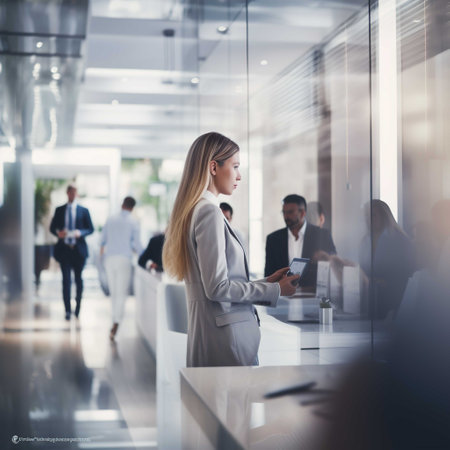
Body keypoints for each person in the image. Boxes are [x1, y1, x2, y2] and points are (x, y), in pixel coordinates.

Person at [162, 132, 299, 367]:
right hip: (225, 342)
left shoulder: (197, 210)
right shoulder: (209, 212)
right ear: (213, 167)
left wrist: (267, 282)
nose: (239, 175)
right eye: (235, 166)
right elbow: (217, 288)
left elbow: (216, 283)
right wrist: (274, 290)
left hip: (215, 337)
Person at [264, 194, 336, 287]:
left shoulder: (322, 235)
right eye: (284, 212)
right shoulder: (273, 239)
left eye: (290, 212)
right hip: (281, 296)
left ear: (302, 213)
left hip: (312, 296)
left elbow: (333, 264)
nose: (286, 216)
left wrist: (325, 257)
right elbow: (269, 275)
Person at [359, 199, 415, 319]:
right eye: (366, 216)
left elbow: (406, 273)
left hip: (392, 300)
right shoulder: (365, 240)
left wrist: (383, 282)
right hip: (370, 299)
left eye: (373, 215)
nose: (369, 219)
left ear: (385, 216)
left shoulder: (400, 241)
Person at [100, 196, 143, 340]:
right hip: (124, 259)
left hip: (110, 259)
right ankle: (116, 323)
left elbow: (102, 241)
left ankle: (114, 320)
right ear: (132, 208)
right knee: (121, 293)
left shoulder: (110, 219)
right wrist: (146, 258)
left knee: (114, 293)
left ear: (122, 204)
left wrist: (101, 261)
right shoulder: (133, 222)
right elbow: (137, 245)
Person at [50, 184, 94, 320]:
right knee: (66, 281)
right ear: (67, 193)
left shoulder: (84, 210)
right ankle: (67, 310)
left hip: (78, 251)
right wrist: (59, 233)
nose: (72, 195)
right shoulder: (59, 210)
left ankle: (78, 308)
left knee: (79, 280)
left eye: (74, 192)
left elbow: (90, 229)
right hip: (64, 251)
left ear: (77, 194)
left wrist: (79, 233)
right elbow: (52, 228)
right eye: (70, 192)